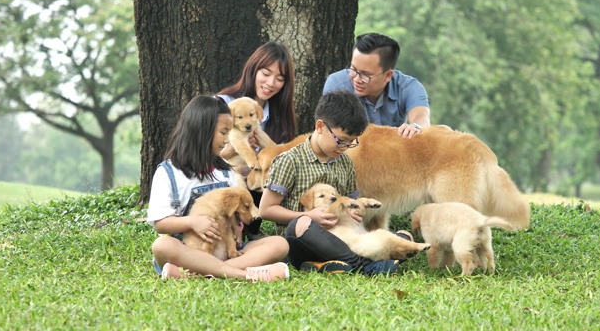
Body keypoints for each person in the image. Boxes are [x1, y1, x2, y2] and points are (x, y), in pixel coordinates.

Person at [259, 91, 415, 275]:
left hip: (342, 237)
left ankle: (328, 264)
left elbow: (351, 203)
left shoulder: (345, 162)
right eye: (340, 141)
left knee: (404, 237)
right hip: (303, 239)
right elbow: (266, 210)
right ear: (320, 127)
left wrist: (354, 211)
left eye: (350, 142)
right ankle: (365, 265)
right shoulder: (290, 160)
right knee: (302, 225)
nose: (344, 147)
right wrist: (312, 216)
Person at [147, 95, 290, 282]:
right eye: (223, 133)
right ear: (202, 130)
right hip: (191, 251)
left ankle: (195, 274)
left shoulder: (224, 169)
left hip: (228, 249)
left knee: (279, 244)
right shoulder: (168, 172)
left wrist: (238, 227)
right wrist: (193, 223)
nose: (227, 140)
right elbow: (161, 223)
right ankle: (244, 274)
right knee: (162, 245)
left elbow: (235, 209)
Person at [217, 41, 297, 239]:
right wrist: (235, 151)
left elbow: (279, 152)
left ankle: (285, 228)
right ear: (253, 70)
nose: (271, 83)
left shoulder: (279, 115)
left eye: (279, 78)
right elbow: (201, 154)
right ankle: (243, 229)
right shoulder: (221, 104)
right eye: (266, 73)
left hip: (259, 181)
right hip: (222, 180)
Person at [323, 32, 430, 138]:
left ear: (388, 75)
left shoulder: (408, 87)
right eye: (353, 69)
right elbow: (333, 130)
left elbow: (421, 117)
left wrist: (415, 127)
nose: (356, 79)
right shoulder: (337, 84)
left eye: (366, 75)